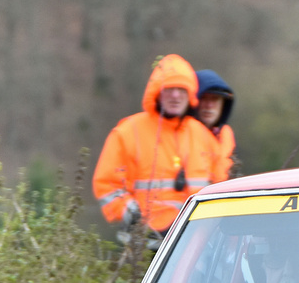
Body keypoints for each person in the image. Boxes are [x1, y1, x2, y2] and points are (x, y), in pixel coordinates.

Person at [92, 55, 231, 236]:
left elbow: (221, 185)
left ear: (190, 95)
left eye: (181, 89)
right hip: (143, 243)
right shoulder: (128, 132)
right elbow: (106, 185)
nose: (175, 95)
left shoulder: (203, 135)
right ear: (156, 93)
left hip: (196, 240)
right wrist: (135, 218)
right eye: (169, 89)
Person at [192, 69, 238, 173]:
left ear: (224, 104)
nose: (209, 105)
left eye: (215, 99)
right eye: (204, 98)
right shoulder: (182, 135)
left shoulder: (227, 135)